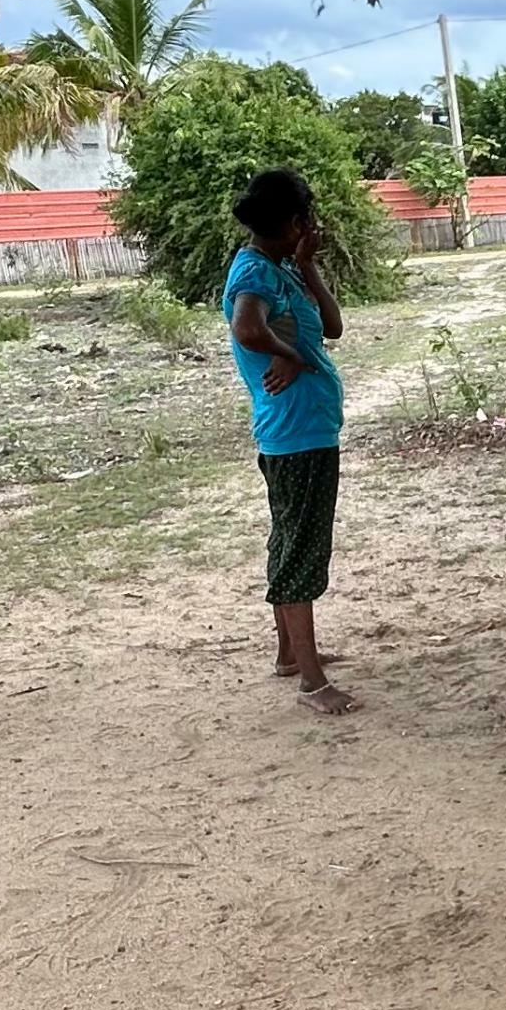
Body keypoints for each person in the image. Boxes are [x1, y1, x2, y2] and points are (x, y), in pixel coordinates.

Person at [223, 168, 357, 715]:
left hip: (308, 430)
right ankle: (312, 681)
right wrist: (291, 356)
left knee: (292, 541)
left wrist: (308, 268)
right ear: (295, 220)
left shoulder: (280, 269)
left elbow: (332, 327)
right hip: (294, 434)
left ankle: (290, 654)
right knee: (301, 552)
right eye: (309, 215)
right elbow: (246, 329)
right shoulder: (253, 272)